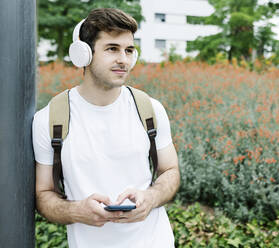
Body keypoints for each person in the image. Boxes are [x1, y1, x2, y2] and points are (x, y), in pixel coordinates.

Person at [32, 8, 180, 248]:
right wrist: (76, 211)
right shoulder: (50, 119)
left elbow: (170, 171)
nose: (124, 59)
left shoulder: (150, 110)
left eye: (129, 50)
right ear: (83, 54)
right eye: (112, 49)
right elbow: (44, 194)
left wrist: (150, 198)